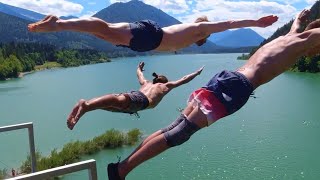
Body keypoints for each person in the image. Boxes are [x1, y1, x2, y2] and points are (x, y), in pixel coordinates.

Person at [107, 9, 316, 180]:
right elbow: (309, 35)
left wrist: (299, 17)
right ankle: (122, 171)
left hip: (228, 77)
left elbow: (298, 28)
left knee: (176, 126)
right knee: (180, 133)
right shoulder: (304, 41)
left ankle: (122, 167)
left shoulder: (291, 38)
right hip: (238, 87)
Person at [28, 15, 278, 52]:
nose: (207, 38)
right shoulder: (201, 28)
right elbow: (230, 23)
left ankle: (60, 23)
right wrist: (256, 21)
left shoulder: (193, 36)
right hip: (151, 36)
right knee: (105, 29)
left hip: (147, 40)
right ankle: (57, 23)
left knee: (103, 34)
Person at [67, 62, 204, 130]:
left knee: (111, 103)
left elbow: (139, 74)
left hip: (135, 102)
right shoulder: (164, 86)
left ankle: (84, 104)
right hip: (141, 102)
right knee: (117, 100)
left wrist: (139, 67)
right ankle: (85, 105)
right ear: (164, 82)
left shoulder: (146, 83)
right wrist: (196, 73)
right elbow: (183, 79)